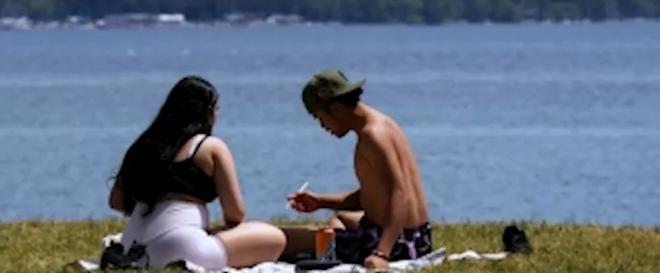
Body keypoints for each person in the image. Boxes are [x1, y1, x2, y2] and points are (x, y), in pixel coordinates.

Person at [108, 75, 286, 271]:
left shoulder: (144, 146)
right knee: (274, 237)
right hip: (182, 245)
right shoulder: (210, 147)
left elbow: (116, 202)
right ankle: (183, 262)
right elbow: (235, 215)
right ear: (208, 112)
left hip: (132, 246)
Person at [281, 69, 433, 271]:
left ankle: (331, 254)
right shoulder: (384, 123)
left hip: (395, 245)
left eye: (319, 118)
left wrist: (381, 255)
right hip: (418, 238)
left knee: (283, 238)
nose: (322, 126)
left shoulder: (372, 136)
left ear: (335, 109)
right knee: (340, 217)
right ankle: (332, 251)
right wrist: (320, 202)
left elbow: (400, 194)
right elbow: (377, 193)